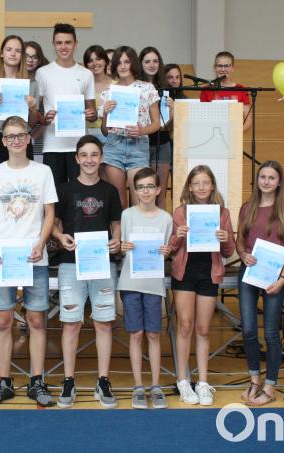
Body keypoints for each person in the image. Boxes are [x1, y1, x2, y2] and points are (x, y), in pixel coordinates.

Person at [0, 116, 58, 406]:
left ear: (29, 138)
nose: (15, 140)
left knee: (37, 319)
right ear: (3, 141)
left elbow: (49, 213)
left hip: (33, 255)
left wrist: (40, 243)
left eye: (20, 135)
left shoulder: (43, 171)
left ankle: (37, 381)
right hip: (3, 256)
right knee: (3, 320)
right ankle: (4, 381)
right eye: (10, 136)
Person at [51, 135, 122, 408]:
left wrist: (116, 240)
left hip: (102, 263)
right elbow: (54, 224)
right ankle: (68, 380)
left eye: (95, 154)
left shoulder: (110, 191)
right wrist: (59, 237)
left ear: (101, 158)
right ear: (77, 158)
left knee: (104, 322)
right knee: (71, 323)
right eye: (84, 155)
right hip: (71, 262)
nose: (90, 160)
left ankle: (103, 380)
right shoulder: (65, 190)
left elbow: (116, 224)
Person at [168, 165, 235, 406]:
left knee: (203, 329)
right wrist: (179, 235)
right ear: (189, 187)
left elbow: (229, 250)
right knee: (184, 325)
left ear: (213, 186)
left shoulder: (222, 213)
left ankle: (204, 382)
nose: (201, 187)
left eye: (205, 183)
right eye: (196, 183)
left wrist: (225, 239)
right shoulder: (180, 212)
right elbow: (172, 247)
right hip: (185, 273)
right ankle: (183, 380)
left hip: (209, 273)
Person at [235, 160, 284, 407]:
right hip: (249, 272)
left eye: (272, 177)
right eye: (263, 177)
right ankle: (254, 379)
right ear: (257, 180)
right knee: (249, 330)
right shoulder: (247, 207)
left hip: (275, 276)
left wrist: (283, 278)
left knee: (271, 332)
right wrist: (242, 254)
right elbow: (240, 241)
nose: (267, 181)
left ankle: (270, 384)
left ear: (279, 181)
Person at [117, 167, 173, 409]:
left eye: (150, 186)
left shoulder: (166, 218)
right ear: (135, 191)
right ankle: (139, 386)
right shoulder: (127, 215)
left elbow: (168, 251)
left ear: (158, 189)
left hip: (153, 283)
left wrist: (167, 251)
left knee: (153, 334)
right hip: (131, 281)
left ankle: (156, 386)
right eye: (141, 187)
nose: (146, 191)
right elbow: (121, 246)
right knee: (136, 334)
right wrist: (123, 246)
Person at [35, 23, 98, 185]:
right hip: (52, 145)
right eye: (59, 43)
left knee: (79, 194)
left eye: (68, 42)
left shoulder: (86, 74)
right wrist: (44, 119)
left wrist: (91, 114)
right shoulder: (42, 73)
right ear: (53, 44)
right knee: (55, 196)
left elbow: (92, 111)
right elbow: (35, 113)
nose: (64, 47)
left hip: (79, 146)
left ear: (76, 44)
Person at [100, 46, 161, 209]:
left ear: (133, 63)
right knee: (118, 201)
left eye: (127, 62)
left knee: (140, 199)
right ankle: (120, 234)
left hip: (138, 145)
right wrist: (106, 113)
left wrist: (142, 130)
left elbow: (156, 123)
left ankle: (137, 235)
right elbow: (105, 131)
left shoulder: (147, 88)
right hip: (114, 145)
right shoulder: (108, 92)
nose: (123, 66)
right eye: (119, 62)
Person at [0, 35, 40, 168]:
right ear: (1, 53)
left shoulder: (32, 85)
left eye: (18, 51)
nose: (13, 54)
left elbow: (33, 123)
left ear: (22, 55)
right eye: (9, 49)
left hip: (22, 138)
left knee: (25, 182)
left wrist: (33, 110)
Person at [152, 63, 186, 209]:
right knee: (160, 191)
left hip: (181, 149)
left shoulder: (185, 99)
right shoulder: (159, 98)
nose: (174, 81)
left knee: (179, 191)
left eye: (177, 77)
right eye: (170, 77)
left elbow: (184, 128)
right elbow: (164, 127)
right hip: (163, 145)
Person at [199, 51, 252, 133]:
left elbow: (248, 121)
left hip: (234, 139)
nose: (223, 69)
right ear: (215, 68)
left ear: (232, 68)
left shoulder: (241, 89)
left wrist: (235, 133)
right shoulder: (206, 90)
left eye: (226, 66)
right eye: (220, 66)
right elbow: (202, 118)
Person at [83, 45, 113, 144]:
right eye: (90, 61)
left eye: (98, 59)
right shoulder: (81, 87)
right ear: (86, 65)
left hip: (111, 135)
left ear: (106, 61)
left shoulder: (117, 86)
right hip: (86, 135)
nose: (95, 63)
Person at [25, 41, 50, 161]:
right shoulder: (13, 80)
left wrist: (44, 121)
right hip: (23, 134)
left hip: (42, 135)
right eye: (26, 56)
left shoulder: (44, 79)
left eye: (34, 57)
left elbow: (45, 111)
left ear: (39, 60)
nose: (30, 60)